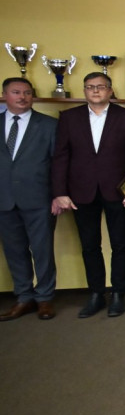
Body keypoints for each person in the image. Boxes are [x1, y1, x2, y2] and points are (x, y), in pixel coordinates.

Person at [50, 71, 125, 318]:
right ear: (84, 91)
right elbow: (60, 158)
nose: (96, 91)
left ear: (110, 90)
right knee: (90, 246)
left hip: (118, 191)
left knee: (121, 244)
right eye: (90, 87)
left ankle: (119, 293)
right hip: (81, 191)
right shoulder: (69, 118)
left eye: (101, 87)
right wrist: (60, 192)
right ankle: (96, 293)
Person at [0, 78, 58, 321]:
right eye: (16, 92)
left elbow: (58, 164)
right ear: (4, 95)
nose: (22, 97)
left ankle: (44, 298)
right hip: (4, 199)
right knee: (14, 251)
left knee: (43, 250)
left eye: (27, 93)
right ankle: (24, 297)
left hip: (39, 199)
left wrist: (58, 195)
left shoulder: (49, 125)